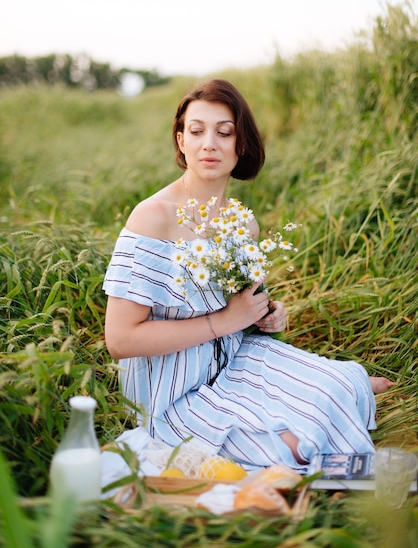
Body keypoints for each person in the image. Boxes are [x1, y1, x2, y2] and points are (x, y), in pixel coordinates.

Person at [103, 78, 393, 472]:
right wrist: (224, 321)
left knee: (339, 390)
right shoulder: (153, 218)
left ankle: (343, 387)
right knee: (293, 449)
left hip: (231, 360)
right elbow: (120, 339)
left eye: (224, 133)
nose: (210, 143)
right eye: (197, 131)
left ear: (240, 146)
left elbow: (245, 310)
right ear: (181, 141)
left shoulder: (243, 224)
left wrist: (268, 314)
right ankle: (338, 393)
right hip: (171, 388)